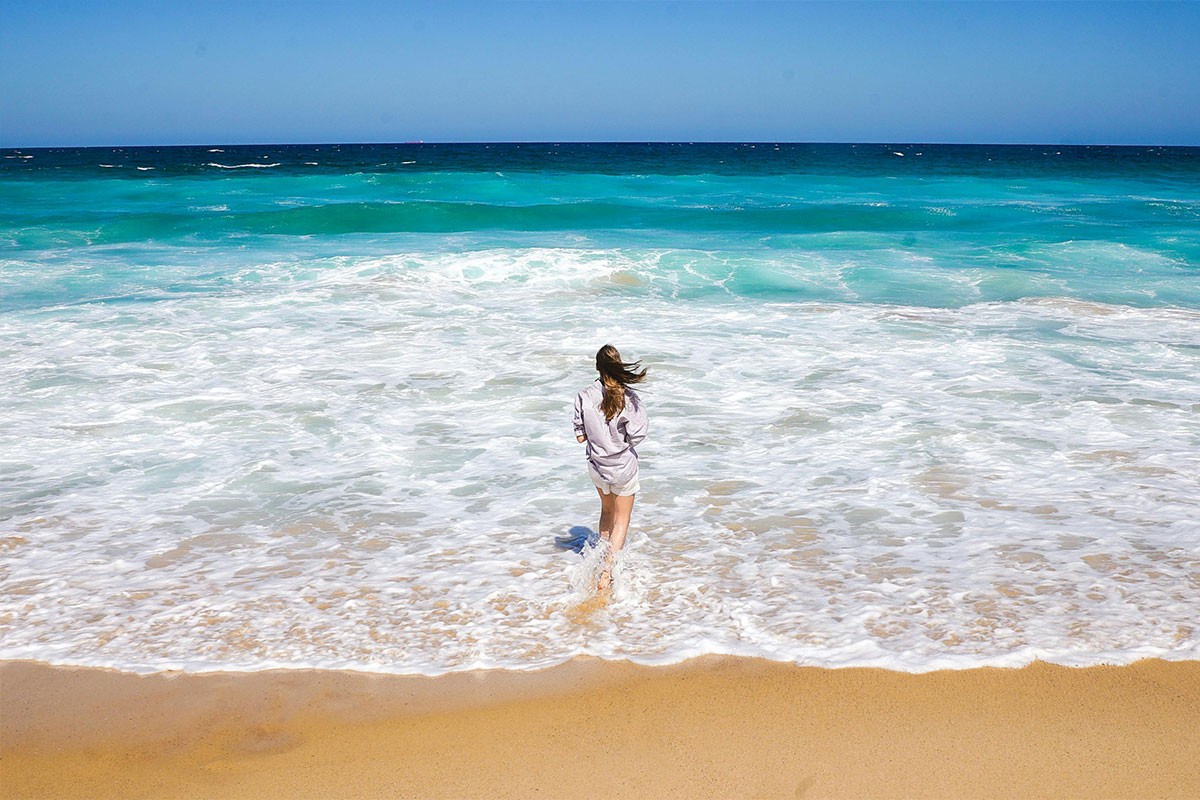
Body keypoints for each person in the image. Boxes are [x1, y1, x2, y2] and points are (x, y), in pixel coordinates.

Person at [572, 345, 648, 591]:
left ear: (597, 367)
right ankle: (606, 573)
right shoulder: (629, 398)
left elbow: (580, 437)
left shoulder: (584, 395)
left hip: (597, 466)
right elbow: (637, 435)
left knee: (606, 512)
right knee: (622, 519)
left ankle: (598, 560)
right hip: (623, 467)